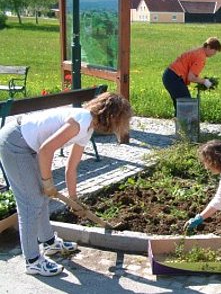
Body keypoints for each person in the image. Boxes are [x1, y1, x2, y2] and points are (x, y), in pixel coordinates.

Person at [0, 92, 132, 276]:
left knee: (41, 198)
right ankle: (32, 261)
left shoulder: (88, 128)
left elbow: (72, 166)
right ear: (112, 116)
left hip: (29, 145)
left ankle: (48, 242)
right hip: (14, 143)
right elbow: (46, 150)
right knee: (30, 204)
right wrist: (47, 182)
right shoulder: (81, 121)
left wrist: (74, 199)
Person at [162, 37, 221, 116]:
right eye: (214, 51)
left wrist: (201, 80)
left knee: (180, 105)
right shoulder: (201, 57)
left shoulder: (198, 51)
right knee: (186, 104)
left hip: (169, 75)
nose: (214, 54)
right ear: (208, 47)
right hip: (174, 77)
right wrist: (204, 81)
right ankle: (185, 127)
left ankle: (180, 126)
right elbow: (191, 77)